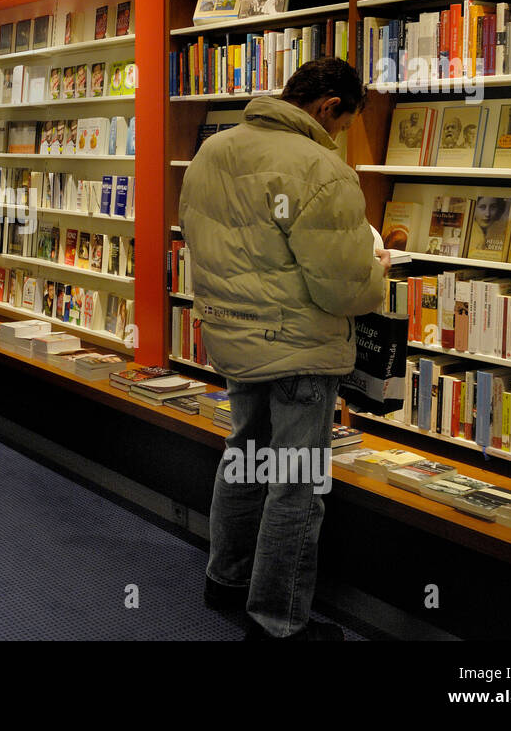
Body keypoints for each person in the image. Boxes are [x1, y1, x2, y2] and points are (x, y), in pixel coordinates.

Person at [179, 57, 386, 641]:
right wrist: (379, 269)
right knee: (295, 483)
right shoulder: (322, 168)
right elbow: (342, 284)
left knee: (244, 458)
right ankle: (278, 623)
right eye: (343, 122)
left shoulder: (213, 152)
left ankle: (226, 580)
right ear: (327, 108)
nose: (339, 135)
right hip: (300, 349)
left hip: (235, 338)